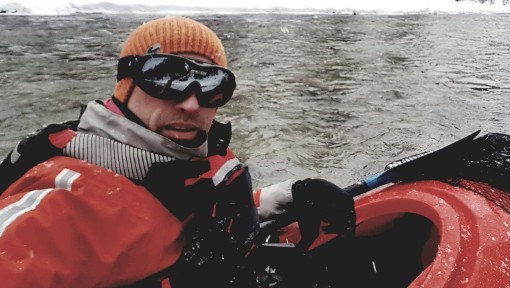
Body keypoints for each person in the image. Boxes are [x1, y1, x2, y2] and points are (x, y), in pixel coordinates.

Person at [0, 16, 355, 287]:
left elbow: (174, 208)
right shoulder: (62, 204)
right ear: (125, 86)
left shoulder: (174, 166)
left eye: (212, 83)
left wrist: (270, 200)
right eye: (167, 77)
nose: (189, 102)